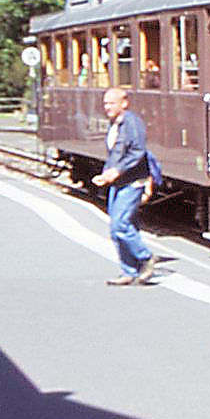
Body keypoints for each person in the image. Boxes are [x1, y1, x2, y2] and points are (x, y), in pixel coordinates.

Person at [91, 88, 157, 286]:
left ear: (124, 103)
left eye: (111, 103)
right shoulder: (116, 123)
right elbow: (115, 154)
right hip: (117, 181)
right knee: (118, 227)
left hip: (132, 181)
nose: (107, 107)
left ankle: (145, 258)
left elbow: (137, 151)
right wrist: (106, 175)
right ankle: (128, 270)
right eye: (105, 103)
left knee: (120, 224)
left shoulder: (132, 122)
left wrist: (116, 171)